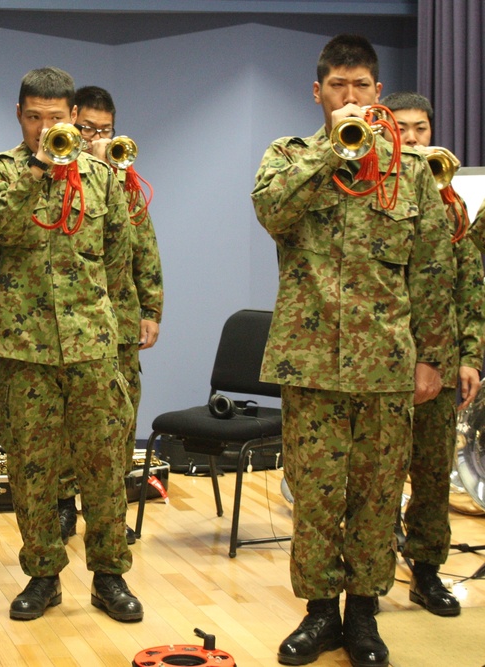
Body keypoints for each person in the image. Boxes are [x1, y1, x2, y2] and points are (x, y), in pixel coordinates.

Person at [252, 35, 455, 667]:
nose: (350, 96)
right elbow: (270, 211)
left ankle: (364, 613)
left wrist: (433, 358)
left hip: (387, 363)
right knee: (314, 494)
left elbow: (432, 271)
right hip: (310, 362)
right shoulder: (289, 158)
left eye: (361, 86)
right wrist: (329, 154)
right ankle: (319, 615)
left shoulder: (412, 172)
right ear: (318, 93)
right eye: (337, 86)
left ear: (377, 91)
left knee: (374, 494)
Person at [0, 67, 141, 623]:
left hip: (93, 345)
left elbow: (119, 258)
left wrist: (121, 337)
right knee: (33, 468)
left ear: (73, 115)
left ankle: (110, 575)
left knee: (105, 465)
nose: (45, 128)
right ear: (19, 116)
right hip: (26, 349)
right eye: (33, 118)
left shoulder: (103, 176)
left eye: (55, 118)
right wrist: (41, 167)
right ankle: (43, 575)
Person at [381, 90, 484, 617]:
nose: (415, 138)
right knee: (375, 478)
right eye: (403, 127)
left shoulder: (453, 203)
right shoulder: (373, 197)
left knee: (430, 474)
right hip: (381, 364)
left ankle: (425, 572)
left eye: (422, 128)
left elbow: (470, 287)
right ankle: (368, 582)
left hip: (441, 362)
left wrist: (469, 357)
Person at [55, 85, 163, 545]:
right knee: (63, 422)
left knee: (119, 419)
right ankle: (62, 504)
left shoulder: (126, 181)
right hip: (73, 325)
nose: (97, 137)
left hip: (119, 322)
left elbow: (146, 249)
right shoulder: (59, 176)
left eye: (106, 130)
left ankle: (110, 512)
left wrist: (151, 308)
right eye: (87, 129)